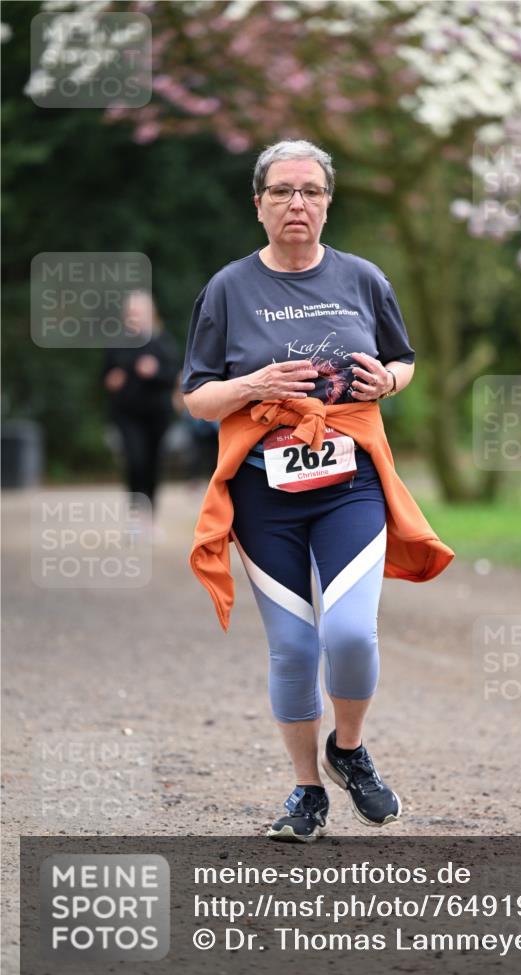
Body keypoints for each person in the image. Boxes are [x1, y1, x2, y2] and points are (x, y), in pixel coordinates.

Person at [182, 139, 455, 843]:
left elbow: (403, 360)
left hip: (349, 487)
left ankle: (348, 749)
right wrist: (254, 386)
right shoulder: (228, 289)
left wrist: (388, 381)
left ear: (327, 202)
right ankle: (306, 792)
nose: (295, 203)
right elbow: (197, 399)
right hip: (262, 496)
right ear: (259, 205)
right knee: (295, 649)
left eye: (308, 191)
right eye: (281, 191)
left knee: (349, 634)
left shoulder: (363, 278)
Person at [103, 290, 180, 519]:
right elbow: (106, 375)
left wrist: (155, 372)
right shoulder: (117, 343)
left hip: (157, 414)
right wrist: (111, 380)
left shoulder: (163, 342)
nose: (135, 315)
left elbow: (173, 377)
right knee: (135, 462)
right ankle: (136, 514)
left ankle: (151, 513)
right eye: (131, 311)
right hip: (127, 414)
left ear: (150, 313)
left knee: (153, 463)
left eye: (139, 311)